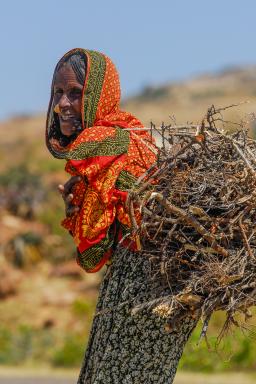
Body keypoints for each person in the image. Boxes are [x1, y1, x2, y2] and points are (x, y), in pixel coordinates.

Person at [46, 48, 197, 384]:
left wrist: (79, 207)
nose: (62, 105)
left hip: (138, 308)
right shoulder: (129, 133)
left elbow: (92, 256)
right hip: (156, 303)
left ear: (99, 95)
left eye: (75, 93)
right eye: (58, 92)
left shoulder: (100, 147)